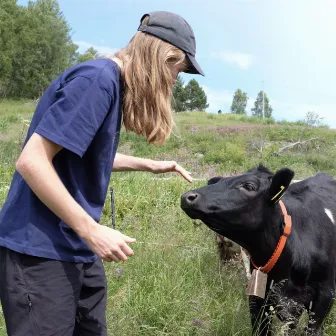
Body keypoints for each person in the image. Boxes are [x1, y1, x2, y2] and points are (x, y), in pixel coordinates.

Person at [0, 10, 204, 336]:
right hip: (39, 252)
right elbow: (32, 161)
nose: (175, 81)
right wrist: (92, 231)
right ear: (162, 57)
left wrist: (151, 165)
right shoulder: (97, 81)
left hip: (77, 250)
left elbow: (81, 152)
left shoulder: (112, 86)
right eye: (178, 70)